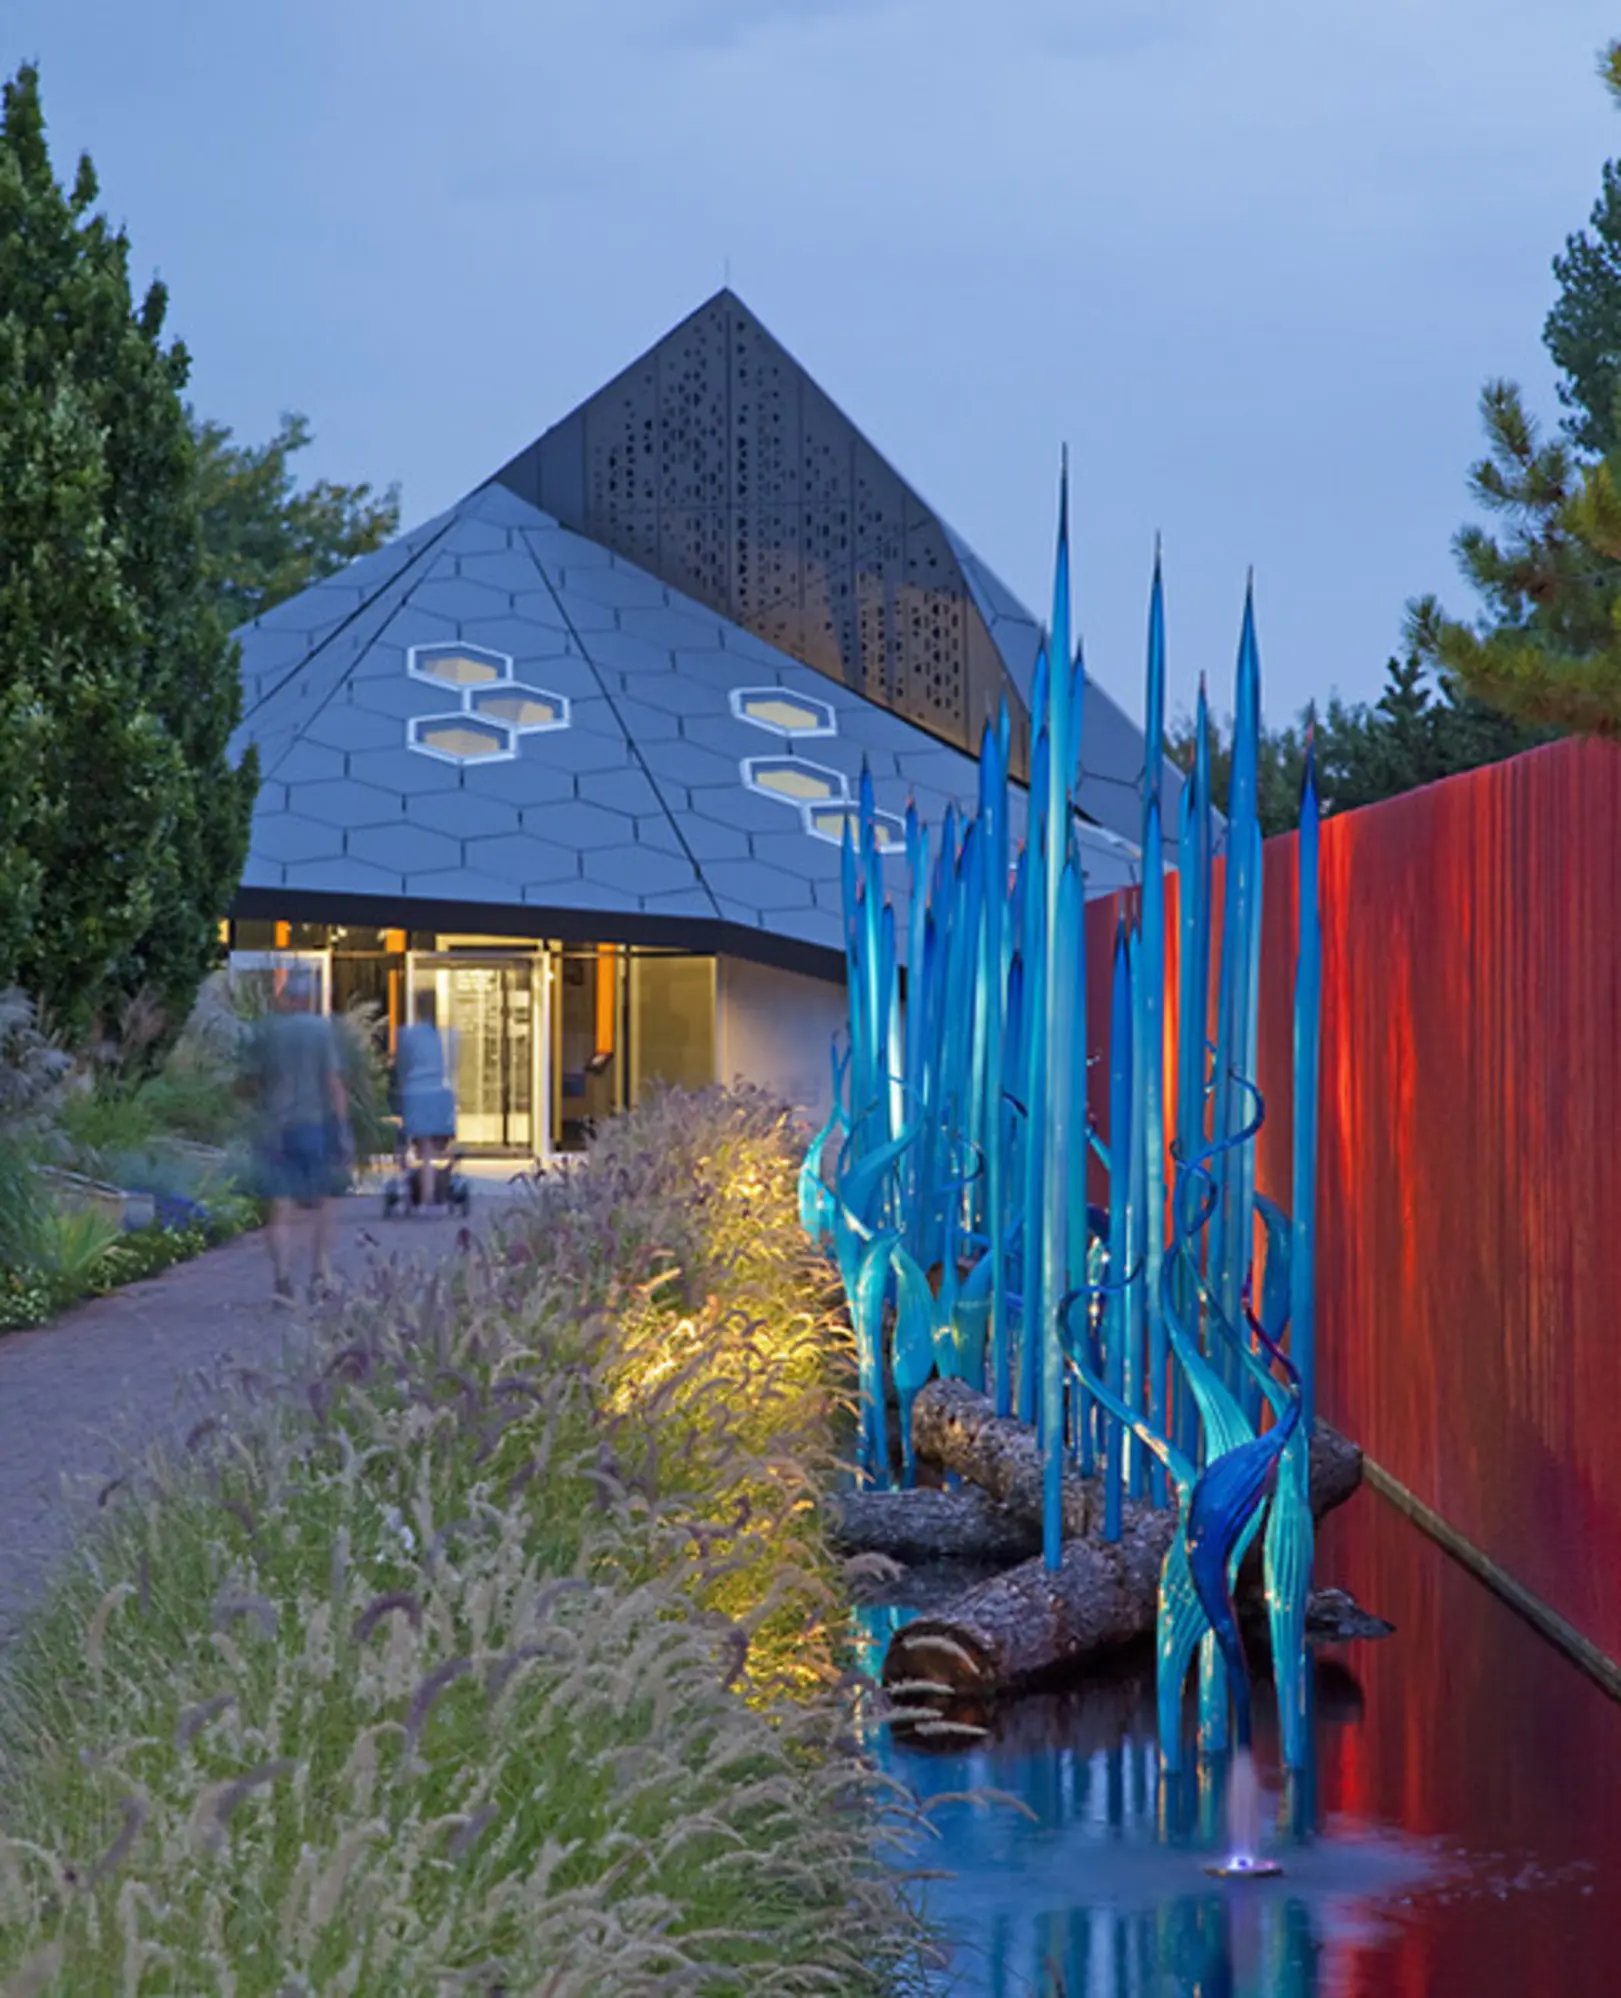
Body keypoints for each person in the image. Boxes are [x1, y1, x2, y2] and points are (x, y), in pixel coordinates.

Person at [245, 965, 354, 1302]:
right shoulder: (321, 1031)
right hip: (313, 1125)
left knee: (279, 1205)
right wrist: (343, 1128)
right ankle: (321, 1269)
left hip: (273, 1127)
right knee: (325, 1199)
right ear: (309, 998)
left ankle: (282, 1276)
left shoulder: (265, 1032)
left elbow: (247, 1083)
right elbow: (334, 1083)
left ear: (285, 997)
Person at [393, 992, 457, 1208]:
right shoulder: (445, 1036)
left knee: (409, 1138)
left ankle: (408, 1178)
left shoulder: (407, 1035)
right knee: (430, 1146)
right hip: (437, 1093)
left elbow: (401, 1067)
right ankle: (429, 1190)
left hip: (414, 1093)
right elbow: (452, 1066)